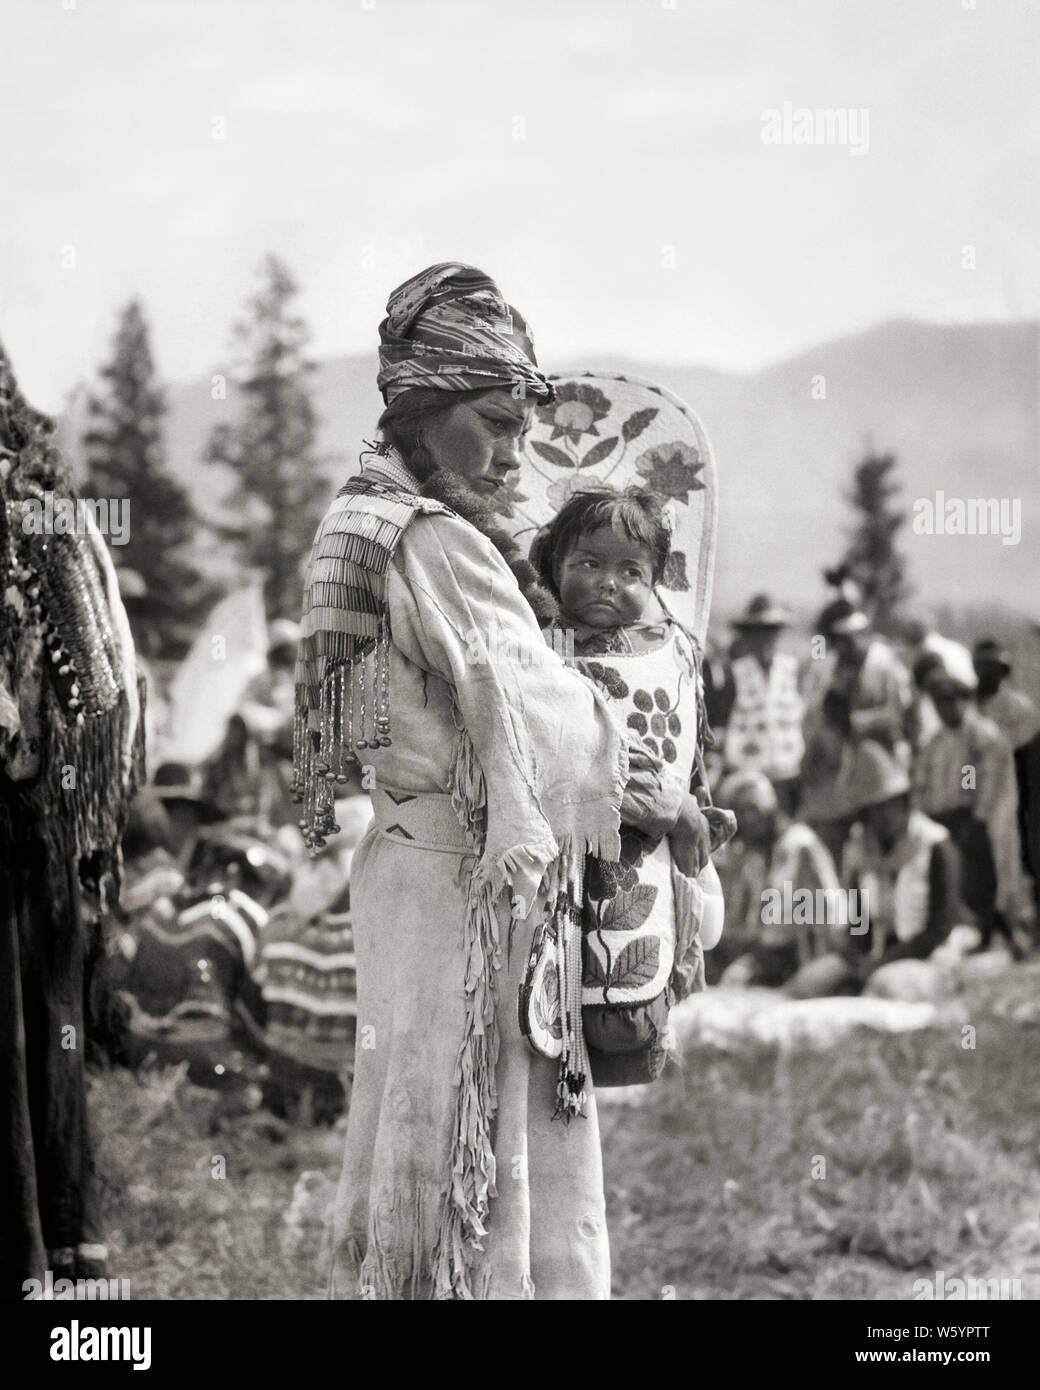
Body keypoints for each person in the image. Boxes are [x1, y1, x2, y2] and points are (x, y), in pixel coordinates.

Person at [296, 263, 713, 1300]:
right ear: (422, 411)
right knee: (483, 1153)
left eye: (521, 424)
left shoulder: (357, 520)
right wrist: (654, 777)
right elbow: (556, 736)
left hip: (408, 865)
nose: (511, 448)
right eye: (493, 421)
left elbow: (353, 731)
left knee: (417, 1124)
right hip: (468, 898)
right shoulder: (436, 542)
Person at [1, 342, 143, 1295]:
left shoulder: (36, 521)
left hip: (23, 831)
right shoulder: (53, 515)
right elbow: (113, 697)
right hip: (48, 840)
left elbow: (92, 699)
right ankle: (59, 1268)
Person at [529, 485, 733, 1082]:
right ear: (553, 566)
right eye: (587, 564)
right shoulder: (539, 649)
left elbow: (687, 755)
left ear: (655, 580)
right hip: (563, 852)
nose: (608, 582)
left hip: (653, 857)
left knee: (631, 999)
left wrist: (698, 812)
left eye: (630, 570)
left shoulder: (677, 653)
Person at [914, 667, 1023, 954]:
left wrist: (975, 812)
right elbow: (922, 782)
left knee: (981, 881)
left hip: (970, 817)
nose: (945, 708)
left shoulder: (978, 734)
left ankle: (998, 934)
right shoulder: (934, 742)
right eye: (939, 702)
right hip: (942, 820)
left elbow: (976, 777)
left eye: (950, 700)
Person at [710, 768, 839, 988]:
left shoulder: (799, 845)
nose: (743, 823)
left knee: (735, 980)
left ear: (763, 810)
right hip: (767, 955)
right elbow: (742, 923)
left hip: (804, 958)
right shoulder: (753, 857)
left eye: (746, 812)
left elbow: (795, 930)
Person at [974, 638, 1040, 924]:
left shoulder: (1018, 707)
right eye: (983, 666)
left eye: (995, 667)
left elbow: (1022, 753)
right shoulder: (968, 705)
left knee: (1019, 858)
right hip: (978, 794)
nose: (988, 672)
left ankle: (1019, 921)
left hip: (1016, 794)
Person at [720, 594, 804, 815]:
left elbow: (821, 649)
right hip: (748, 780)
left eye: (771, 630)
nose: (766, 638)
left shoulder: (792, 669)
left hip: (788, 775)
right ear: (748, 635)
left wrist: (822, 642)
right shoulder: (733, 674)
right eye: (758, 631)